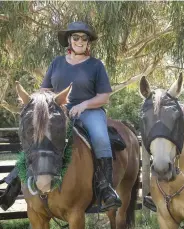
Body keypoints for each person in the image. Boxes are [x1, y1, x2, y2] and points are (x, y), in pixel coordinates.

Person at [40, 21, 121, 212]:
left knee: (101, 138)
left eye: (84, 38)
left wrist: (83, 105)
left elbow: (104, 96)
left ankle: (105, 187)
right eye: (76, 37)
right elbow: (44, 89)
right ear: (69, 40)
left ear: (88, 42)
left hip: (90, 111)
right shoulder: (56, 63)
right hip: (58, 112)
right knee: (36, 133)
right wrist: (56, 103)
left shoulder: (96, 65)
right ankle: (16, 181)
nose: (80, 41)